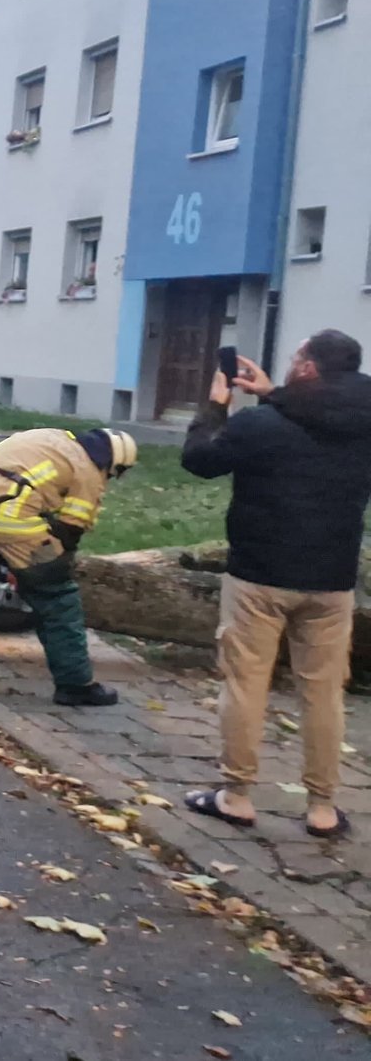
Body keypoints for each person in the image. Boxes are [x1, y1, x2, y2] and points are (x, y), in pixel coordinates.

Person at [180, 330, 371, 840]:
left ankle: (237, 795)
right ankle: (323, 808)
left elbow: (199, 460)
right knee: (325, 693)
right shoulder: (363, 423)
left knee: (246, 685)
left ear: (308, 369)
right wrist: (270, 393)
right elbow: (320, 417)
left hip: (259, 576)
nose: (289, 365)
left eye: (295, 358)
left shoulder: (259, 426)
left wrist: (218, 406)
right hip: (332, 580)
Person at [0, 426, 138, 705]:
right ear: (115, 463)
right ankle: (75, 684)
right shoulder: (89, 470)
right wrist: (52, 564)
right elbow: (71, 528)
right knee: (57, 598)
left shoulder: (50, 437)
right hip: (10, 518)